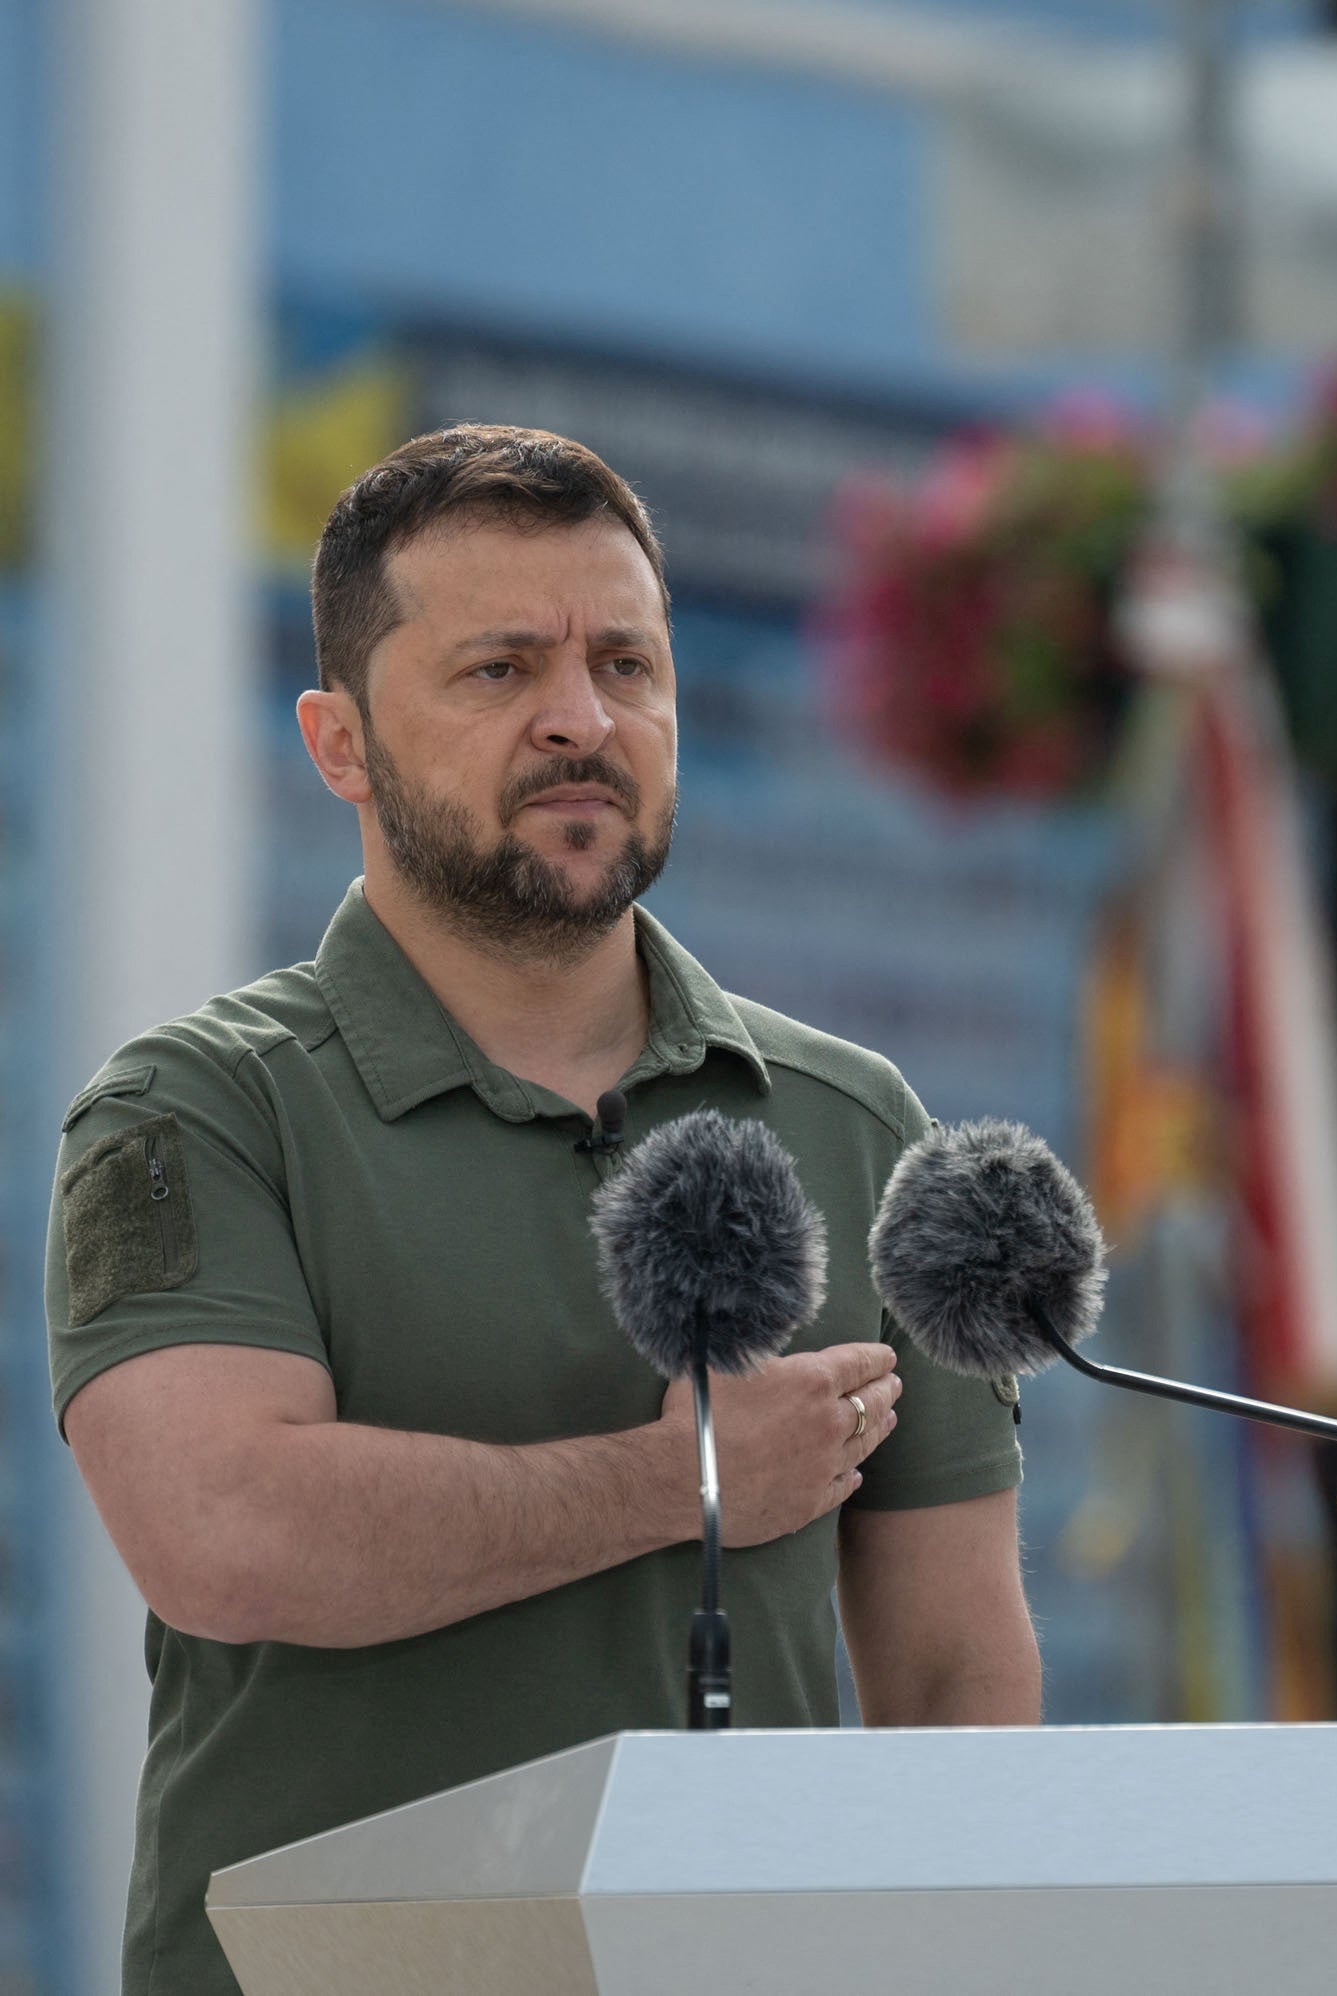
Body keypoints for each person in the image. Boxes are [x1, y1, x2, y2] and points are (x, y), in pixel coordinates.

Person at [46, 426, 1041, 1996]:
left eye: (627, 666)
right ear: (340, 741)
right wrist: (680, 1479)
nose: (583, 721)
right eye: (499, 670)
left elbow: (954, 1676)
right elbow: (225, 1535)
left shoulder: (857, 1126)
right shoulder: (195, 1114)